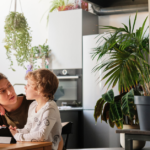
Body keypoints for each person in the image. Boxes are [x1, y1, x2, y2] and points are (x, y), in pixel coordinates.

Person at [0, 71, 63, 150]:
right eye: (2, 91)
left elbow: (46, 135)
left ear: (40, 89)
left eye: (9, 85)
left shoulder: (47, 106)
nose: (10, 92)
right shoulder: (33, 105)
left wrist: (16, 135)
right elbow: (28, 129)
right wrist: (13, 132)